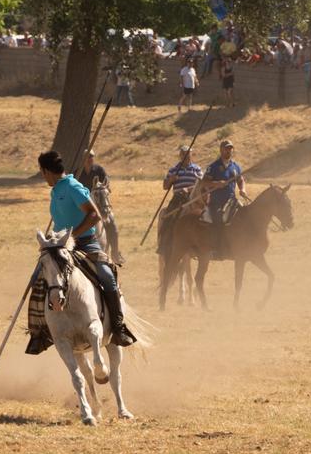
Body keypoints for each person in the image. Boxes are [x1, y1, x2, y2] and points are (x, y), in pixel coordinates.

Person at [36, 151, 136, 347]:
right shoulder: (55, 190)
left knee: (107, 276)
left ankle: (118, 327)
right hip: (60, 245)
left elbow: (94, 214)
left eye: (42, 172)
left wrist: (73, 236)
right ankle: (41, 331)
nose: (42, 176)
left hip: (85, 243)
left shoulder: (73, 187)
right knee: (40, 278)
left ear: (47, 171)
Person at [78, 150, 125, 264]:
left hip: (101, 205)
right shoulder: (78, 172)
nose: (90, 159)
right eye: (87, 157)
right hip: (84, 206)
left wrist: (104, 189)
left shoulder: (99, 170)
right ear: (83, 159)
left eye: (92, 156)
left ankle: (115, 253)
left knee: (112, 221)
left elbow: (107, 185)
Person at [204, 140, 247, 259]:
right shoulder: (213, 167)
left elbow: (240, 180)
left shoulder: (236, 166)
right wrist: (216, 183)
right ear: (221, 150)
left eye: (230, 149)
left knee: (246, 214)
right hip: (217, 202)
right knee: (218, 219)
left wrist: (242, 189)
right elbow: (204, 183)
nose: (229, 151)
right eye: (226, 148)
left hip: (231, 200)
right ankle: (217, 249)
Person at [157, 145, 203, 255]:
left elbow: (202, 184)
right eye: (183, 154)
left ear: (191, 155)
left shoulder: (197, 169)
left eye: (188, 154)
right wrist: (171, 179)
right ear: (180, 156)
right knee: (168, 218)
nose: (186, 156)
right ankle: (164, 244)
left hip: (195, 198)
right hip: (178, 199)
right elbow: (165, 186)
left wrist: (189, 189)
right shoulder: (173, 170)